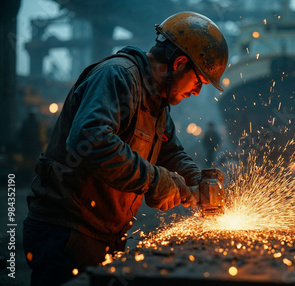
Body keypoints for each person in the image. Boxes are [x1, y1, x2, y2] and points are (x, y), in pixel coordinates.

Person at [23, 11, 228, 286]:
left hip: (102, 234)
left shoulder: (157, 101)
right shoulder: (117, 77)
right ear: (179, 63)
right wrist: (156, 181)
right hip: (66, 232)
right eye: (198, 82)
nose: (196, 92)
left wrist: (197, 181)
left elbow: (170, 153)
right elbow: (91, 140)